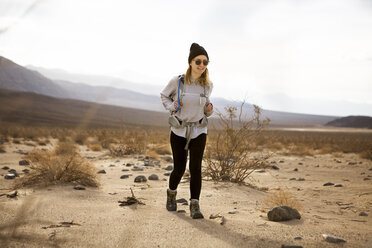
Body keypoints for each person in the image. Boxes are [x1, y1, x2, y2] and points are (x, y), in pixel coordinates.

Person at [160, 43, 213, 219]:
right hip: (179, 130)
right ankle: (171, 193)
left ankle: (195, 205)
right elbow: (164, 95)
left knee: (196, 168)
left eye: (205, 62)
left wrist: (209, 109)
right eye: (198, 61)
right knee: (179, 168)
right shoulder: (178, 81)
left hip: (199, 130)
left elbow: (206, 109)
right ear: (191, 62)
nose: (202, 65)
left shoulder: (207, 85)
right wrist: (171, 106)